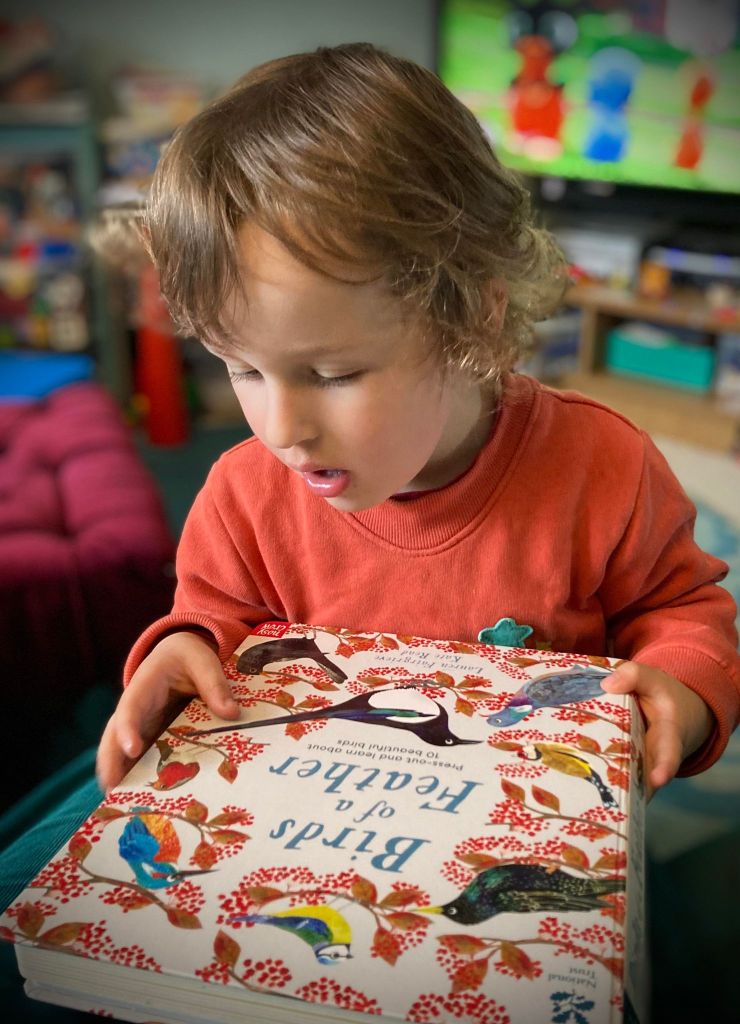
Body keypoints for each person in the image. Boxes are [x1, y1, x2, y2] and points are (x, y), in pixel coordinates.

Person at [96, 42, 739, 802]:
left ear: (471, 315)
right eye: (242, 368)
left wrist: (683, 694)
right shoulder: (243, 496)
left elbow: (683, 614)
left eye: (332, 374)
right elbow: (211, 622)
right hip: (323, 827)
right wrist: (178, 652)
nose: (281, 428)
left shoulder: (606, 465)